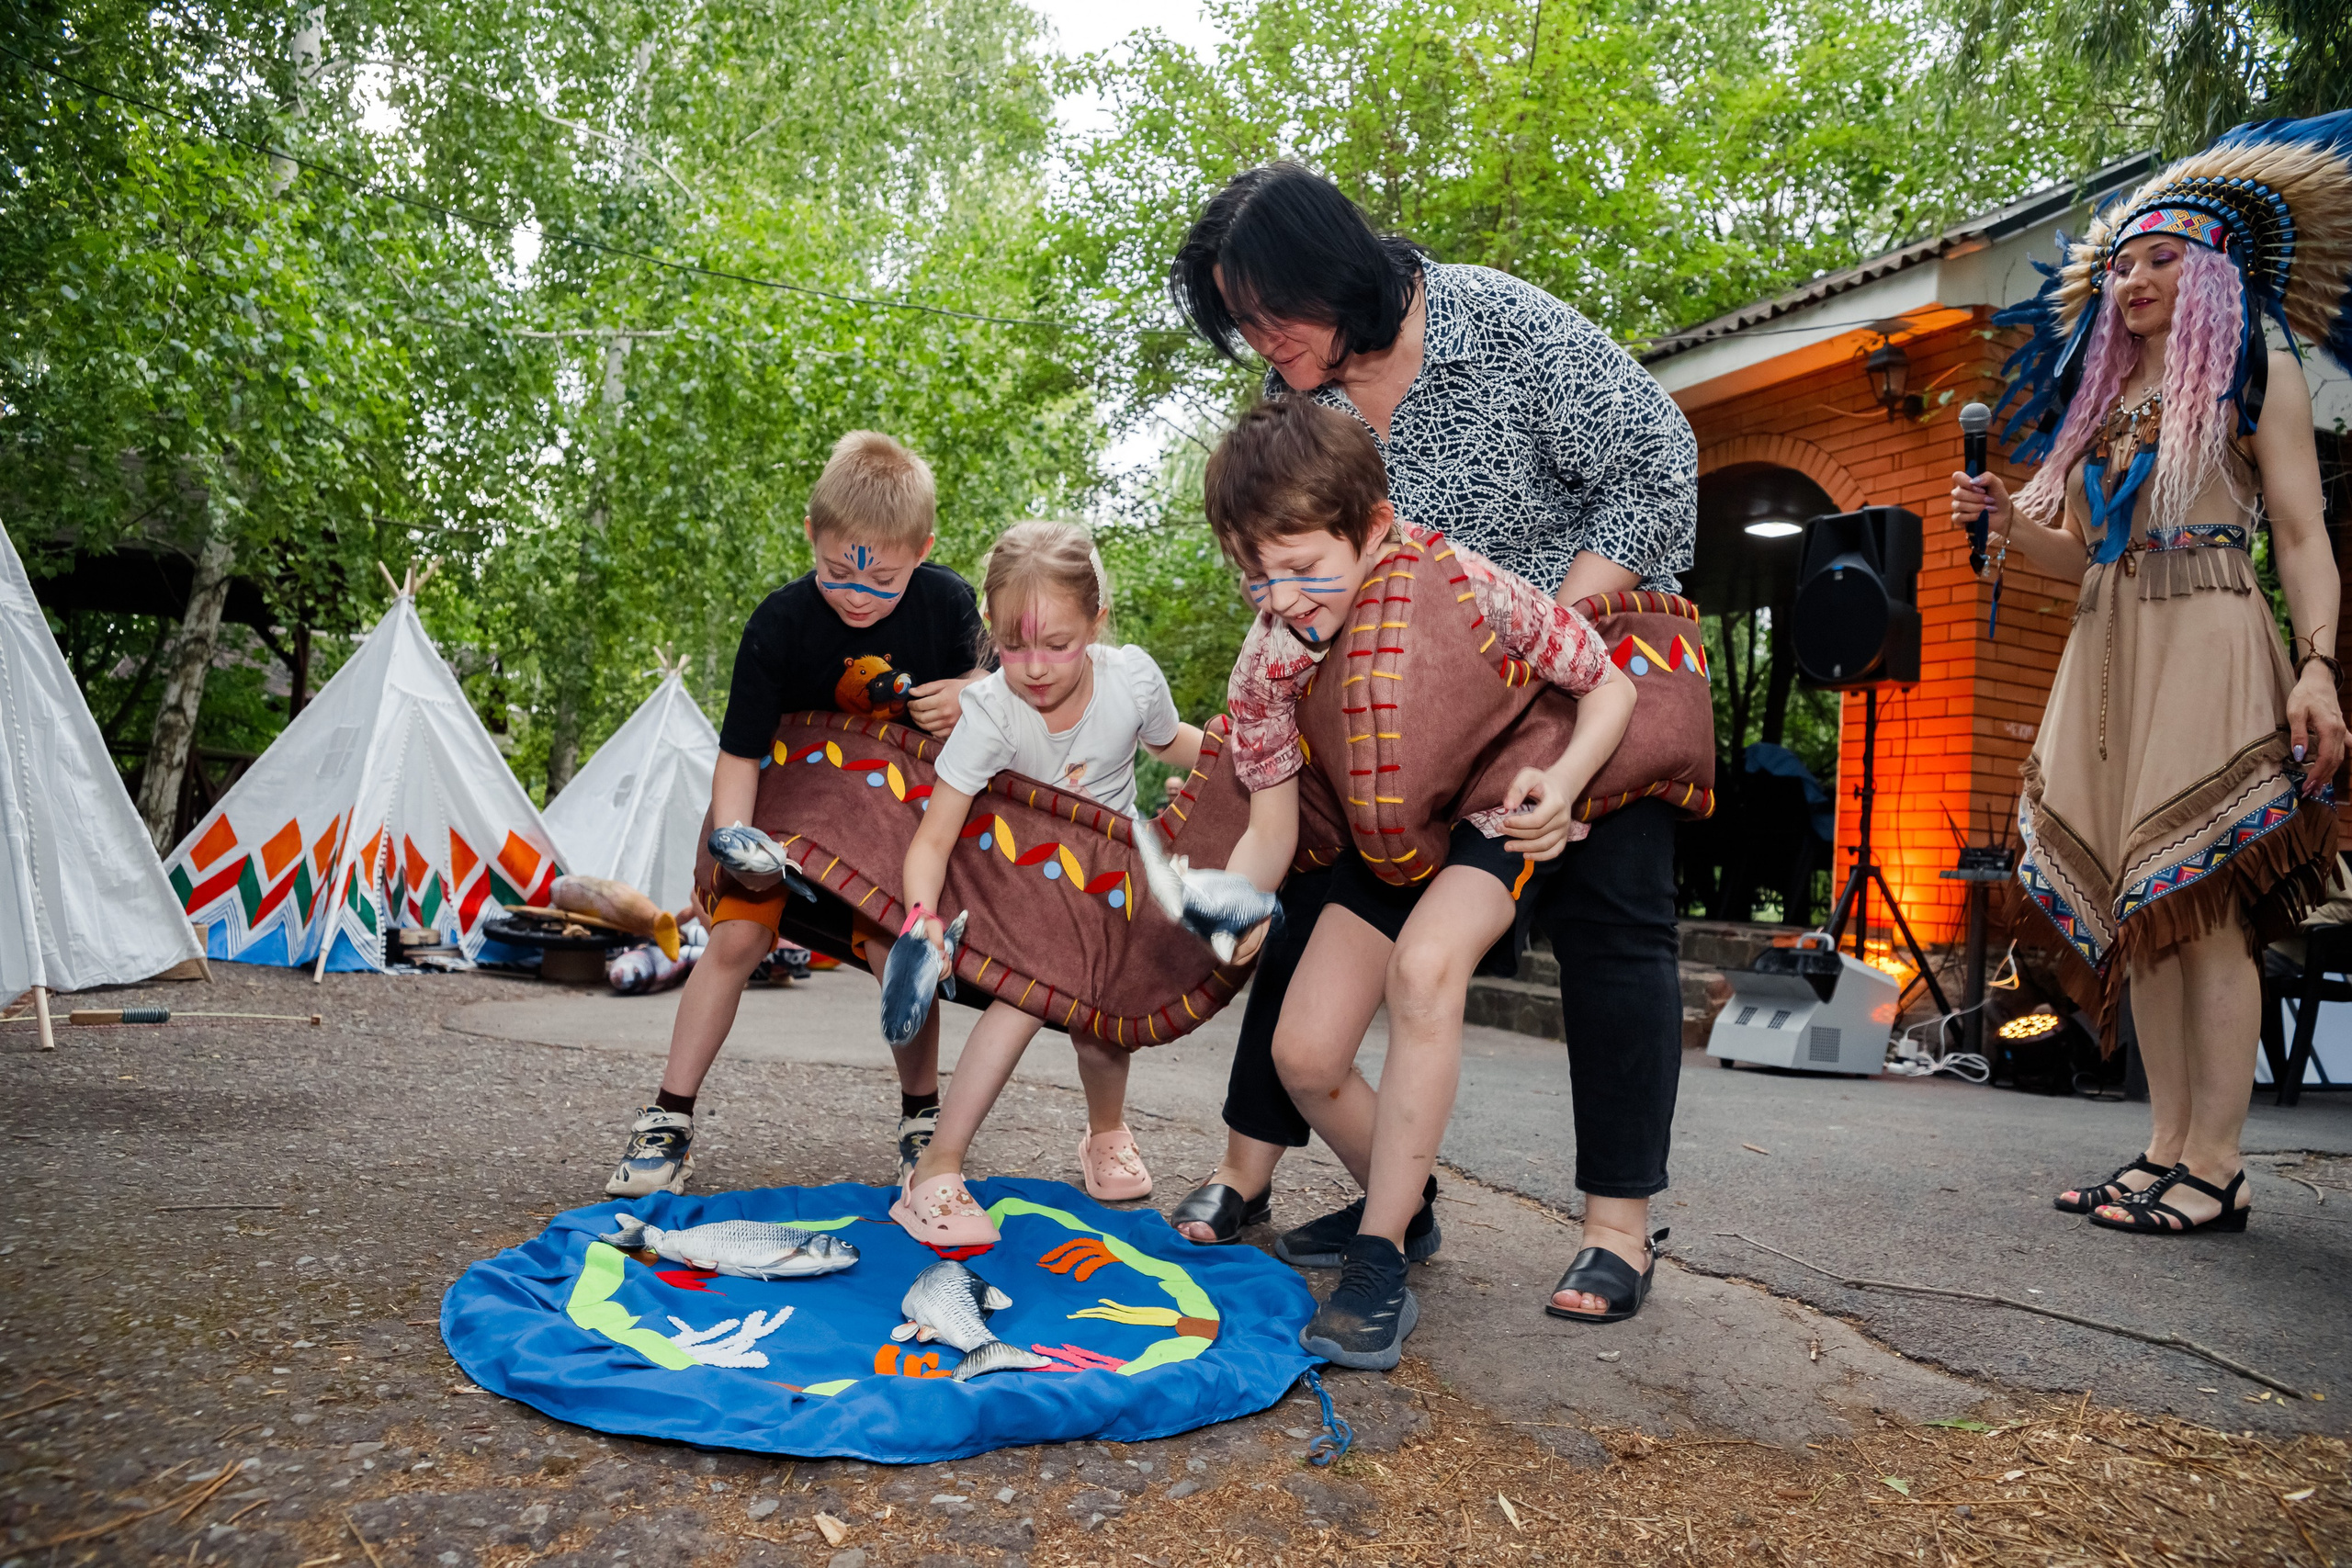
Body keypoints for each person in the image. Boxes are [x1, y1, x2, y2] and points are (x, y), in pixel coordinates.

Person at [1164, 162, 1697, 1325]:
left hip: (1569, 659)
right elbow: (1295, 555)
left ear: (1336, 275)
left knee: (1612, 922)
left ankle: (1617, 1230)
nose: (1262, 343)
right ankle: (1378, 1198)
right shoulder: (1305, 397)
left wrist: (1521, 646)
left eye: (1271, 313)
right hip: (1401, 719)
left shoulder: (1496, 323)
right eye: (1241, 325)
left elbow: (1657, 468)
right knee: (1311, 899)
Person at [1954, 110, 2352, 1235]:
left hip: (2212, 629)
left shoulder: (2252, 370)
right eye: (2120, 263)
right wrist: (2001, 516)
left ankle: (2216, 1164)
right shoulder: (2105, 397)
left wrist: (2316, 670)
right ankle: (2164, 1144)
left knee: (2207, 904)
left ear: (2212, 275)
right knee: (2151, 913)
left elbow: (2302, 533)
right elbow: (2080, 547)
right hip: (2110, 642)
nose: (2131, 279)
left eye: (2159, 260)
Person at [1208, 397, 1635, 1367]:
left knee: (1425, 974)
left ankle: (1377, 1259)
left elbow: (1604, 681)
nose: (1281, 600)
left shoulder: (1465, 582)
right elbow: (1270, 827)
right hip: (1386, 845)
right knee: (1305, 1057)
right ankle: (1411, 1202)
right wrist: (1234, 902)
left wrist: (1562, 786)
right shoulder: (1266, 666)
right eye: (1256, 577)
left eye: (1306, 570)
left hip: (1489, 824)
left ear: (1370, 527)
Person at [605, 430, 989, 1198]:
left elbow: (1009, 697)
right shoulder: (778, 622)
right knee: (736, 936)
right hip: (779, 814)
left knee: (898, 950)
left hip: (888, 828)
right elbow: (740, 753)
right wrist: (736, 843)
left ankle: (921, 1117)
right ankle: (669, 1117)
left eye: (882, 579)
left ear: (922, 550)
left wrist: (976, 693)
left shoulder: (948, 605)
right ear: (812, 534)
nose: (857, 593)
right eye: (837, 569)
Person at [891, 522, 1209, 1247]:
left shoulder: (1130, 680)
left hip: (1113, 882)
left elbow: (1173, 744)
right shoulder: (993, 712)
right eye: (1013, 643)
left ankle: (1105, 1134)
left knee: (1103, 1031)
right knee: (1026, 1000)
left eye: (1057, 643)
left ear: (1097, 622)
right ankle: (934, 1173)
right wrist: (922, 917)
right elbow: (933, 837)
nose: (1033, 665)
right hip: (1025, 887)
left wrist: (1244, 754)